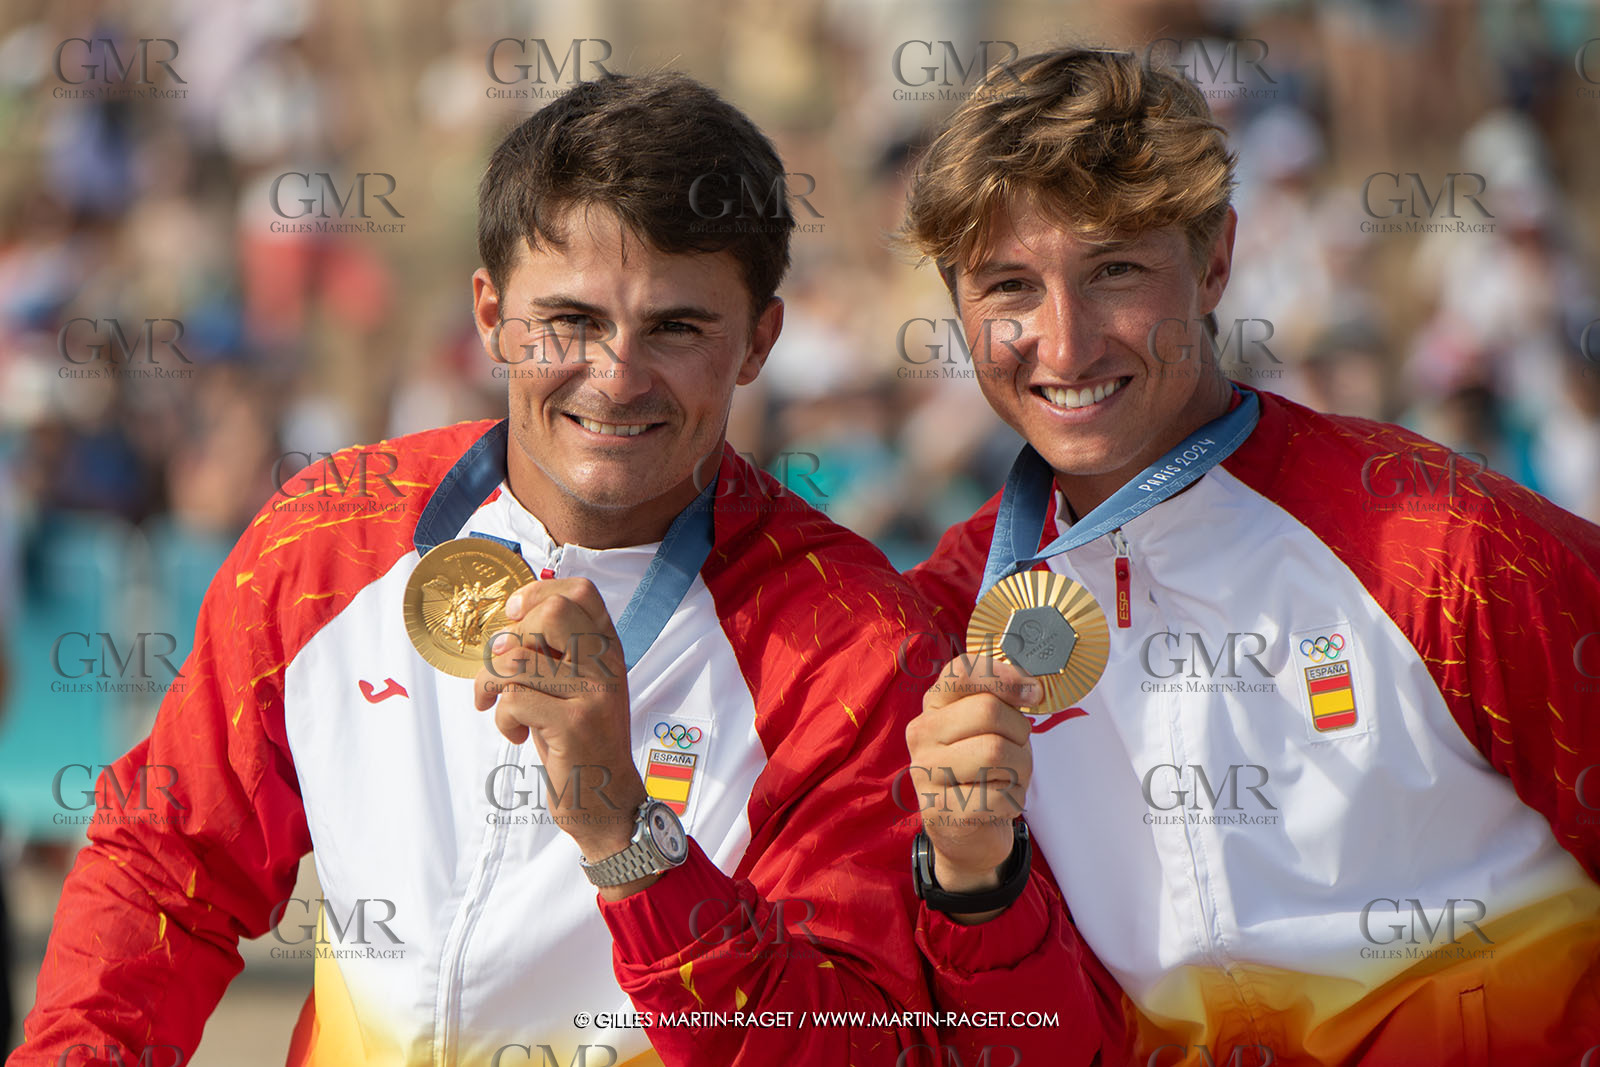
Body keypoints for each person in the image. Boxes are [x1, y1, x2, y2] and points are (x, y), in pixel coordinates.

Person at [15, 71, 948, 1067]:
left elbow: (853, 1040)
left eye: (676, 326)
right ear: (490, 315)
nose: (618, 372)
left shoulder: (857, 643)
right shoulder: (329, 535)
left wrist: (626, 834)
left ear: (760, 339)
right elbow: (168, 860)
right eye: (571, 320)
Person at [896, 46, 1600, 1066]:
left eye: (1115, 270)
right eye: (1009, 285)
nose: (1063, 342)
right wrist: (971, 880)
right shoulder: (939, 620)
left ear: (1216, 258)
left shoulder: (1439, 545)